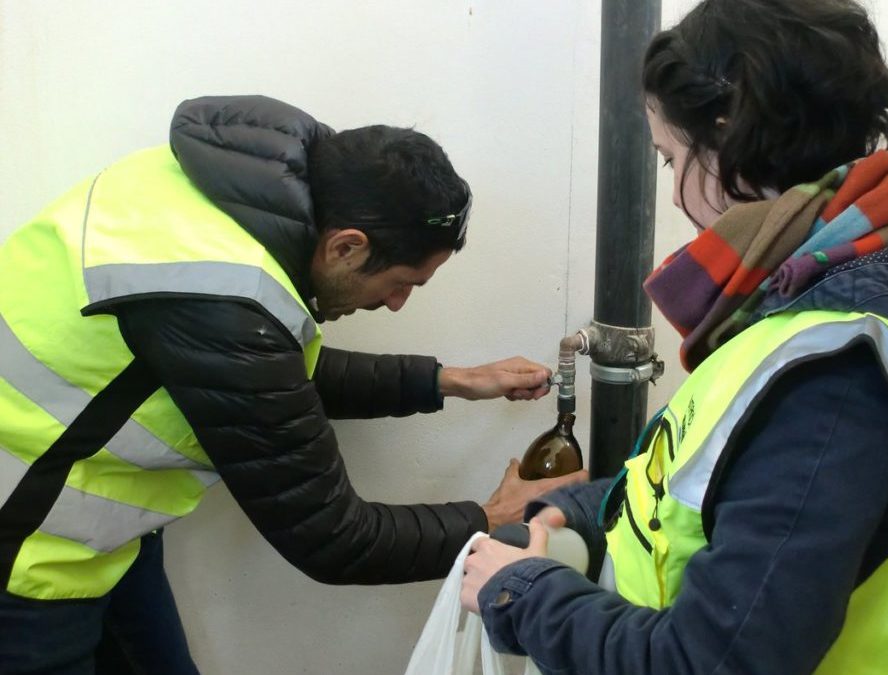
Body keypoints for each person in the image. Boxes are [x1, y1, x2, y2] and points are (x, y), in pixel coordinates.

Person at [461, 1, 888, 673]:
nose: (679, 200)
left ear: (729, 135)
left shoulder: (836, 379)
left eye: (670, 159)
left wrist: (522, 595)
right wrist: (577, 509)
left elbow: (714, 661)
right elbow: (699, 499)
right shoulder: (804, 307)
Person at [0, 94, 584, 673]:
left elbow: (268, 373)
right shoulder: (219, 305)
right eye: (403, 282)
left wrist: (447, 381)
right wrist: (495, 515)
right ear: (346, 246)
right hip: (27, 556)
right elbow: (333, 537)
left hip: (97, 533)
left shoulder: (223, 199)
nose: (398, 303)